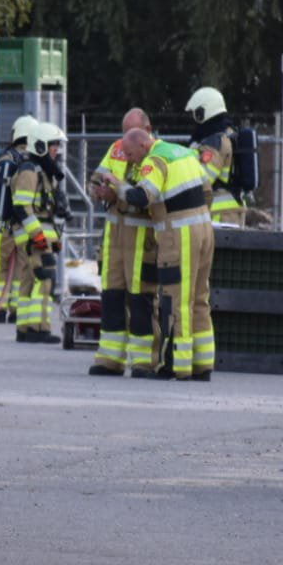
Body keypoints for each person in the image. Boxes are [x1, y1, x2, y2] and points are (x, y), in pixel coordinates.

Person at [113, 128, 215, 380]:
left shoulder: (155, 161)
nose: (128, 159)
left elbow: (141, 197)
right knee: (200, 296)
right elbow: (208, 191)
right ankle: (202, 365)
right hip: (204, 228)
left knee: (175, 299)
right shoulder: (183, 152)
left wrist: (119, 187)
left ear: (143, 146)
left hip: (178, 234)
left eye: (129, 153)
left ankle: (176, 366)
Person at [86, 107, 160, 376]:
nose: (122, 141)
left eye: (130, 133)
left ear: (146, 132)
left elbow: (146, 196)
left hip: (142, 238)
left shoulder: (157, 156)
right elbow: (95, 179)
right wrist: (99, 190)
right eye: (122, 132)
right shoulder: (117, 148)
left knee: (141, 298)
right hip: (114, 235)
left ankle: (144, 361)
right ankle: (109, 358)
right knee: (112, 294)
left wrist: (117, 191)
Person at [8, 119, 65, 344]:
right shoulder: (29, 170)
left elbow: (48, 210)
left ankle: (24, 328)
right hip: (33, 234)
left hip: (38, 233)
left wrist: (54, 237)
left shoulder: (43, 170)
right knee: (46, 278)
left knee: (29, 280)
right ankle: (39, 328)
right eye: (53, 145)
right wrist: (38, 236)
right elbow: (22, 206)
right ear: (40, 146)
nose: (57, 150)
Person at [0, 114, 35, 321]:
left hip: (2, 225)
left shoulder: (0, 159)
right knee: (22, 269)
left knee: (0, 268)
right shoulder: (33, 160)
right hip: (24, 225)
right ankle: (17, 311)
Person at [184, 86, 245, 226]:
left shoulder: (215, 142)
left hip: (220, 216)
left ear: (202, 113)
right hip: (226, 213)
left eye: (195, 113)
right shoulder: (226, 133)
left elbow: (202, 178)